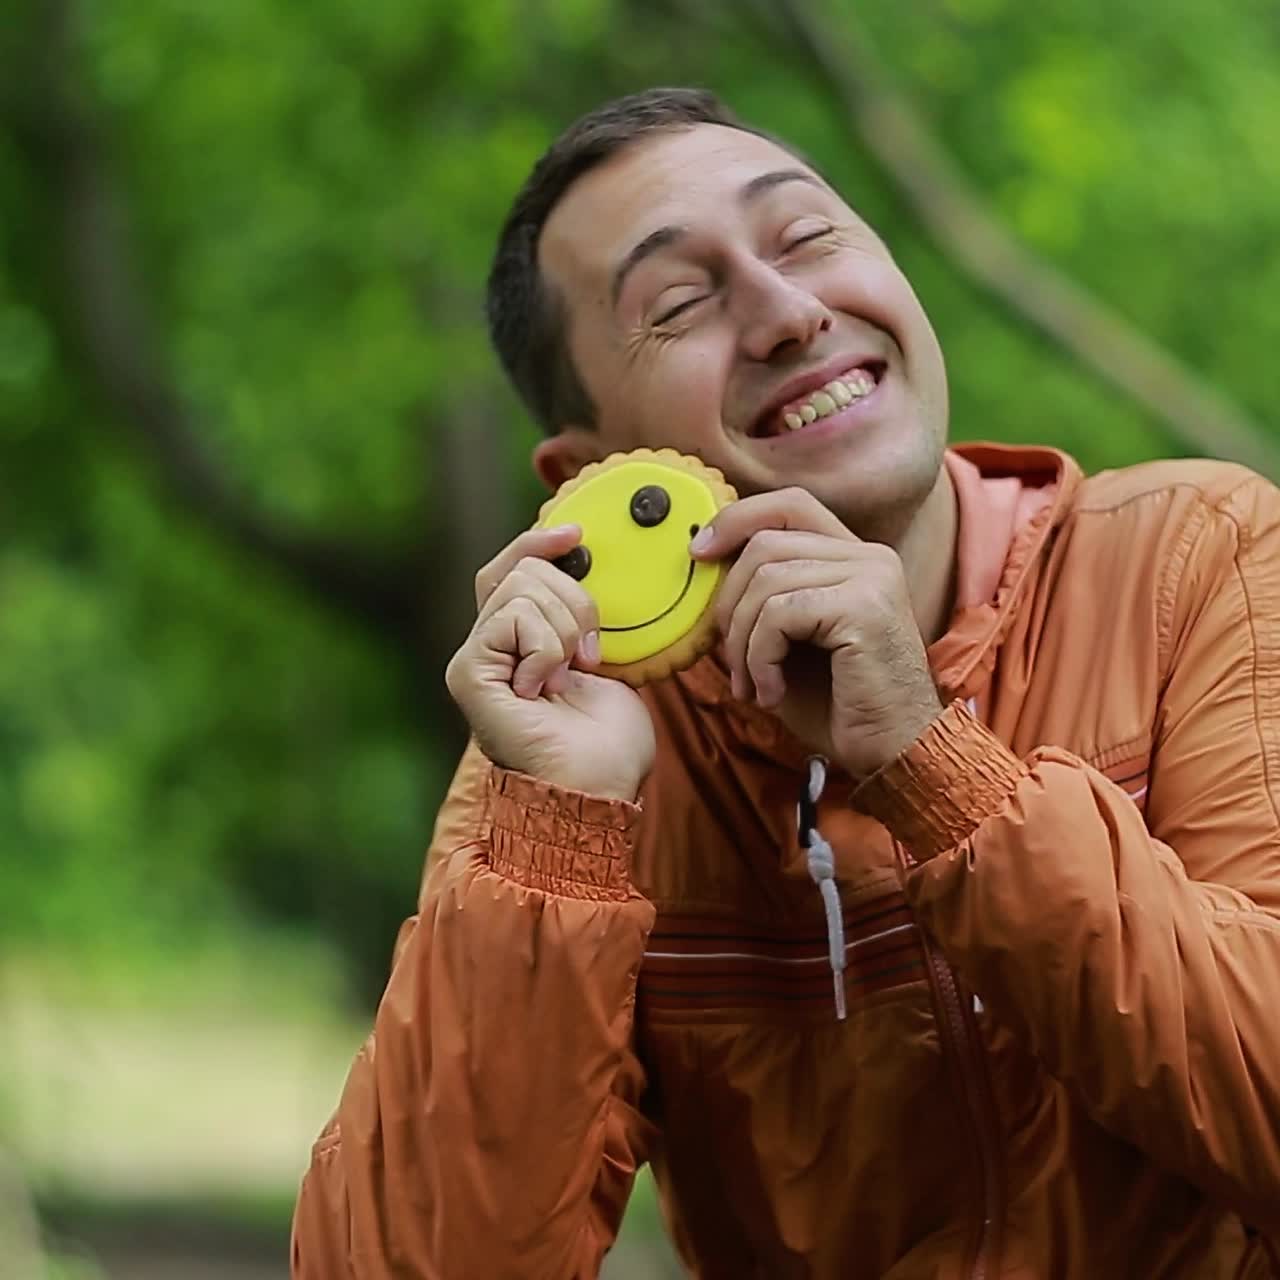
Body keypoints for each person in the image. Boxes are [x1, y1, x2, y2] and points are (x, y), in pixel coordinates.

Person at [289, 88, 1280, 1278]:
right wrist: (555, 832)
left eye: (806, 236)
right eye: (676, 303)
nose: (785, 312)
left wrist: (928, 762)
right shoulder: (572, 752)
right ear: (591, 476)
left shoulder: (1194, 559)